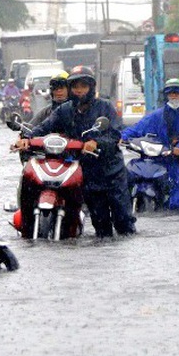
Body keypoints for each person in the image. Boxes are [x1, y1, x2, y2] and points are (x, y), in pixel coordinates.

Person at [17, 65, 136, 236]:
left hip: (111, 171)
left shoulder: (105, 107)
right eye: (75, 86)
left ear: (91, 87)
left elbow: (116, 134)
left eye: (83, 86)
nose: (79, 90)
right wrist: (26, 140)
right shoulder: (65, 110)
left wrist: (96, 142)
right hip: (86, 172)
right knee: (100, 224)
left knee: (123, 220)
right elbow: (44, 126)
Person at [121, 78, 179, 212]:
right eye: (171, 93)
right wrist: (122, 137)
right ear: (166, 96)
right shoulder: (158, 115)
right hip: (165, 157)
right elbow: (138, 127)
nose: (174, 96)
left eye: (177, 93)